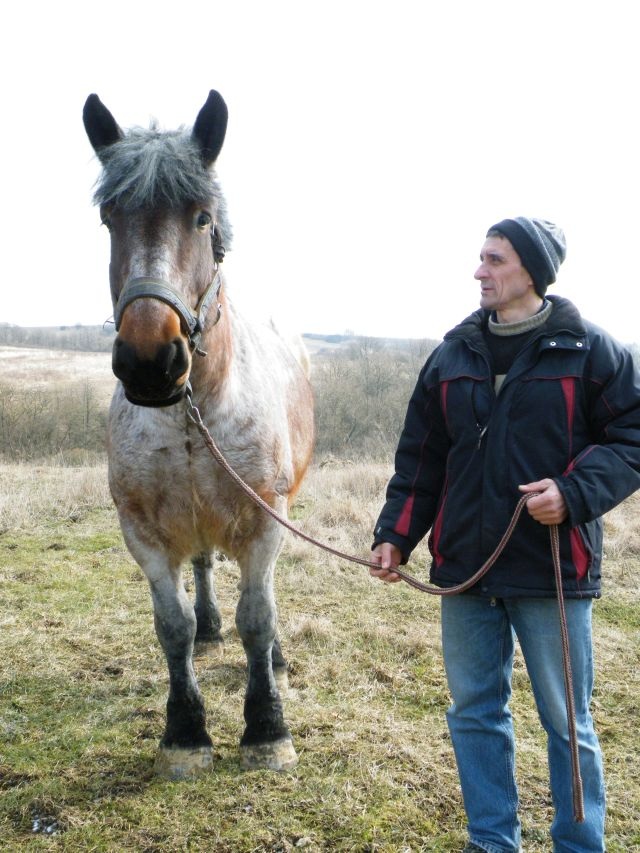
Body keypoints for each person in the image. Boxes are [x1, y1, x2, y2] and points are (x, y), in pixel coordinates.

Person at [370, 217, 640, 853]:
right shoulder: (451, 355)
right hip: (465, 568)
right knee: (474, 713)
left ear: (531, 271)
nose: (479, 271)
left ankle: (579, 845)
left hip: (552, 568)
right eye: (481, 258)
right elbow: (421, 459)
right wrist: (395, 537)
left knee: (566, 722)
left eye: (493, 260)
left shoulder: (592, 351)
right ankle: (492, 841)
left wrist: (572, 495)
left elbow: (632, 437)